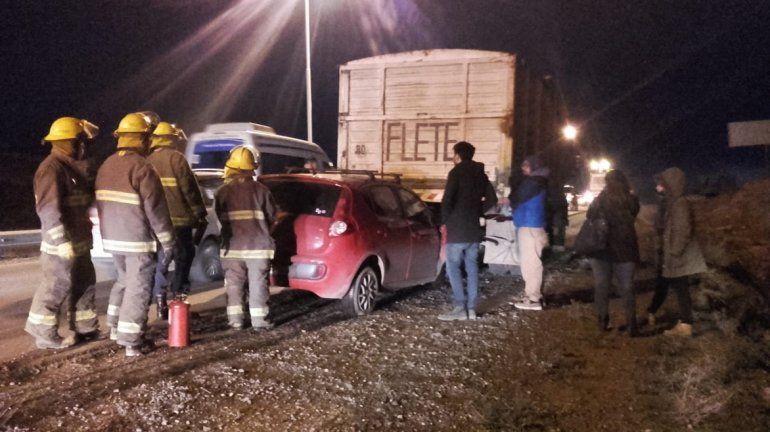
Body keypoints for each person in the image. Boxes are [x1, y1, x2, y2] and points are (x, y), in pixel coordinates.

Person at [95, 113, 175, 357]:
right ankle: (132, 341)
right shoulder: (142, 167)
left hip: (112, 238)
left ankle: (114, 326)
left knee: (123, 282)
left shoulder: (106, 165)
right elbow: (156, 209)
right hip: (137, 240)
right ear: (142, 139)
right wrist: (167, 240)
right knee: (138, 288)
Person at [25, 117, 100, 349]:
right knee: (56, 285)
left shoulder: (69, 168)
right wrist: (60, 241)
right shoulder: (51, 169)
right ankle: (44, 333)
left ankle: (85, 327)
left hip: (78, 239)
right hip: (62, 242)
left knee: (84, 283)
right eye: (79, 141)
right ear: (67, 142)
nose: (82, 146)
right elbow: (48, 209)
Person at [146, 122, 207, 319]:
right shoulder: (177, 159)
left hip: (156, 223)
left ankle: (160, 302)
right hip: (180, 223)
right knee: (183, 258)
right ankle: (178, 302)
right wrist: (199, 213)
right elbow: (190, 190)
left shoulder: (147, 161)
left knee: (160, 263)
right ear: (172, 139)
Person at [215, 146, 277, 330]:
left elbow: (220, 217)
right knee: (258, 283)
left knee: (234, 284)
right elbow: (272, 217)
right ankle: (260, 322)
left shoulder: (222, 192)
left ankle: (235, 321)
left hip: (232, 248)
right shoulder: (262, 191)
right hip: (258, 247)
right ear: (252, 168)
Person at [438, 141, 497, 321]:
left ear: (458, 155)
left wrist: (445, 221)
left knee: (453, 267)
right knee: (472, 267)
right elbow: (492, 199)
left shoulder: (455, 173)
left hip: (457, 229)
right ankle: (471, 308)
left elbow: (447, 200)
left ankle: (459, 307)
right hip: (473, 229)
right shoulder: (481, 174)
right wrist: (479, 212)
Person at [646, 167, 707, 337]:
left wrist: (674, 251)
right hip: (674, 254)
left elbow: (683, 230)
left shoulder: (680, 204)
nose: (660, 187)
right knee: (678, 287)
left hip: (677, 255)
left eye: (663, 184)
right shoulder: (675, 202)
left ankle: (686, 325)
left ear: (671, 184)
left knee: (680, 288)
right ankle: (684, 322)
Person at [585, 169, 640, 336]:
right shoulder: (632, 200)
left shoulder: (600, 199)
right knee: (627, 287)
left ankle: (602, 323)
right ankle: (632, 326)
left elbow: (589, 216)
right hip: (626, 249)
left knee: (602, 286)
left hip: (602, 250)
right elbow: (634, 213)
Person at [509, 156, 549, 311]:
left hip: (530, 226)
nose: (523, 168)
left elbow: (517, 197)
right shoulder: (539, 181)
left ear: (534, 166)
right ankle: (533, 296)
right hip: (531, 225)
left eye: (526, 166)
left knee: (530, 263)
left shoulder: (534, 182)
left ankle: (533, 299)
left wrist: (509, 200)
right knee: (531, 262)